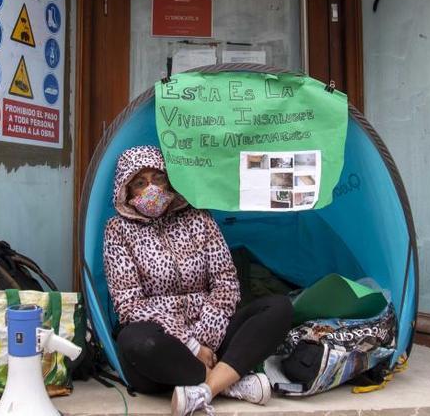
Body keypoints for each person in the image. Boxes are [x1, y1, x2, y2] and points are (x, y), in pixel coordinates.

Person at [103, 146, 293, 415]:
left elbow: (226, 281)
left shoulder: (199, 218)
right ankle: (227, 383)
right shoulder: (118, 231)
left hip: (212, 336)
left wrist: (206, 338)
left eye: (158, 178)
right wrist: (190, 345)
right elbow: (129, 304)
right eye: (140, 183)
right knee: (136, 341)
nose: (152, 189)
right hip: (168, 348)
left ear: (169, 179)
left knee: (279, 308)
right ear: (127, 190)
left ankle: (204, 390)